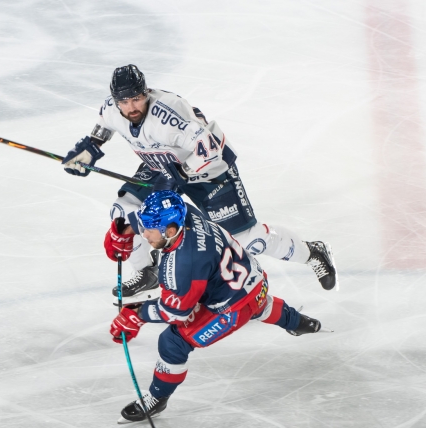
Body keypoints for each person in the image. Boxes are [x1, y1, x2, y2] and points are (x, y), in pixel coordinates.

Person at [61, 64, 338, 302]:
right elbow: (104, 125)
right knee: (124, 212)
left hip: (208, 170)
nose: (131, 107)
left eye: (136, 98)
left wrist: (179, 176)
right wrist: (90, 148)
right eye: (124, 101)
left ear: (145, 93)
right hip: (162, 164)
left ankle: (313, 252)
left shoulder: (168, 114)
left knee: (246, 241)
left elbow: (209, 147)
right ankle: (147, 272)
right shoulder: (112, 108)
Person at [105, 190, 324, 423]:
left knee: (173, 342)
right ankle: (298, 323)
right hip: (255, 280)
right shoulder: (185, 212)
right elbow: (153, 216)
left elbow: (175, 312)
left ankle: (157, 398)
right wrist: (126, 230)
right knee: (261, 305)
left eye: (149, 230)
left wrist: (136, 314)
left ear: (170, 231)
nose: (144, 235)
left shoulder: (184, 264)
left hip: (232, 308)